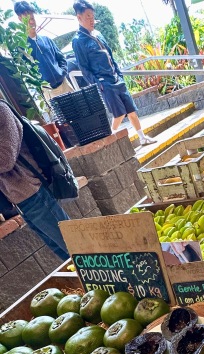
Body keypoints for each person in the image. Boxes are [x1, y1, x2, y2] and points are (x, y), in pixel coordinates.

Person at [72, 0, 156, 145]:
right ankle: (110, 139)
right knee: (119, 113)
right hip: (104, 82)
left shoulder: (98, 34)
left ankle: (142, 137)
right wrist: (98, 83)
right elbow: (84, 68)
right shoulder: (78, 40)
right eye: (88, 17)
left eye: (92, 16)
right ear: (79, 18)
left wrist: (119, 74)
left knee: (131, 110)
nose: (92, 20)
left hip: (116, 78)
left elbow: (110, 55)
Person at [0, 101, 70, 261]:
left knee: (75, 248)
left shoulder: (1, 110)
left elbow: (5, 159)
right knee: (63, 252)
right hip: (18, 197)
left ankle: (113, 276)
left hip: (31, 190)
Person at [13, 2, 74, 101]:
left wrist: (62, 72)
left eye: (32, 18)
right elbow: (26, 74)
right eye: (27, 19)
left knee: (80, 108)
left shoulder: (46, 40)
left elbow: (61, 58)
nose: (31, 22)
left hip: (65, 84)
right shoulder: (22, 48)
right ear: (20, 19)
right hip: (48, 92)